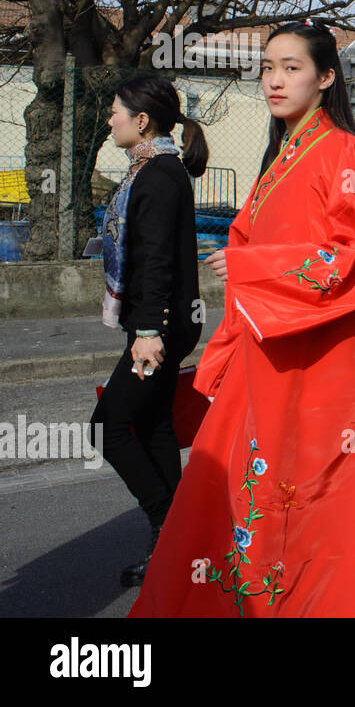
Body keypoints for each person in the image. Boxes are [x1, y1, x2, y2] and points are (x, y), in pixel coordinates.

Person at [130, 20, 355, 615]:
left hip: (316, 355)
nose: (275, 79)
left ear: (326, 78)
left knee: (312, 485)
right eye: (268, 67)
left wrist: (255, 265)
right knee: (270, 483)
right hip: (266, 349)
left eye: (292, 67)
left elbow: (350, 256)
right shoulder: (281, 156)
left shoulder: (346, 154)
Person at [91, 75, 208, 586]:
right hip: (159, 323)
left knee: (108, 426)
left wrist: (147, 330)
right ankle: (173, 548)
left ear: (142, 121)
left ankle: (173, 526)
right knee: (154, 425)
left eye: (117, 111)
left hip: (157, 327)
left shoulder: (158, 175)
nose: (110, 119)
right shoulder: (155, 169)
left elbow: (159, 259)